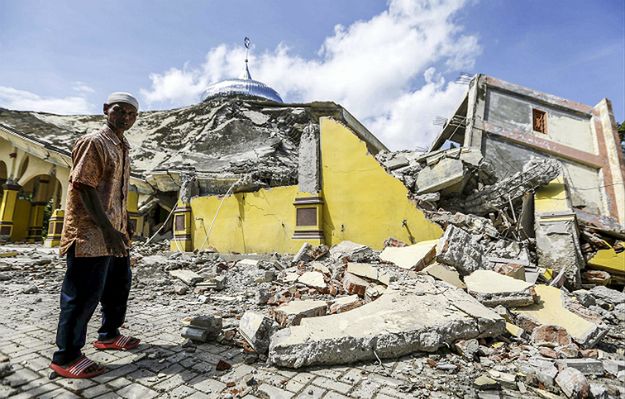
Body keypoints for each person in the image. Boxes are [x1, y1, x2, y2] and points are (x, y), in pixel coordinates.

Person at [50, 92, 141, 379]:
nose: (126, 117)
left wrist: (123, 226)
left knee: (118, 286)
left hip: (115, 234)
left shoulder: (123, 146)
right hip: (91, 235)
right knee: (82, 295)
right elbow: (84, 186)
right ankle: (66, 357)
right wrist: (107, 229)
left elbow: (116, 194)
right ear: (106, 110)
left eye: (131, 114)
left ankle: (109, 335)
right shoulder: (95, 142)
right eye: (120, 110)